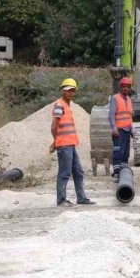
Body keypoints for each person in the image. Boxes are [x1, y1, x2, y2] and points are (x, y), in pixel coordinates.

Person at [49, 78, 95, 206]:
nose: (71, 93)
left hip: (70, 144)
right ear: (63, 91)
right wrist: (56, 141)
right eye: (68, 90)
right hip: (64, 145)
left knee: (78, 172)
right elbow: (53, 127)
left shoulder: (67, 105)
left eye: (73, 90)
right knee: (64, 173)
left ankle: (81, 198)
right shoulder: (59, 105)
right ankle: (61, 200)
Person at [109, 76, 135, 178]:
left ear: (130, 88)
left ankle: (124, 171)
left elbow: (129, 116)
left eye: (128, 87)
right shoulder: (115, 98)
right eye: (124, 86)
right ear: (120, 87)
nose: (126, 88)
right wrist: (114, 128)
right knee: (118, 152)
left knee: (125, 153)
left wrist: (132, 128)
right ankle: (116, 172)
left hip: (127, 130)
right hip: (119, 131)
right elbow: (111, 115)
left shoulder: (128, 99)